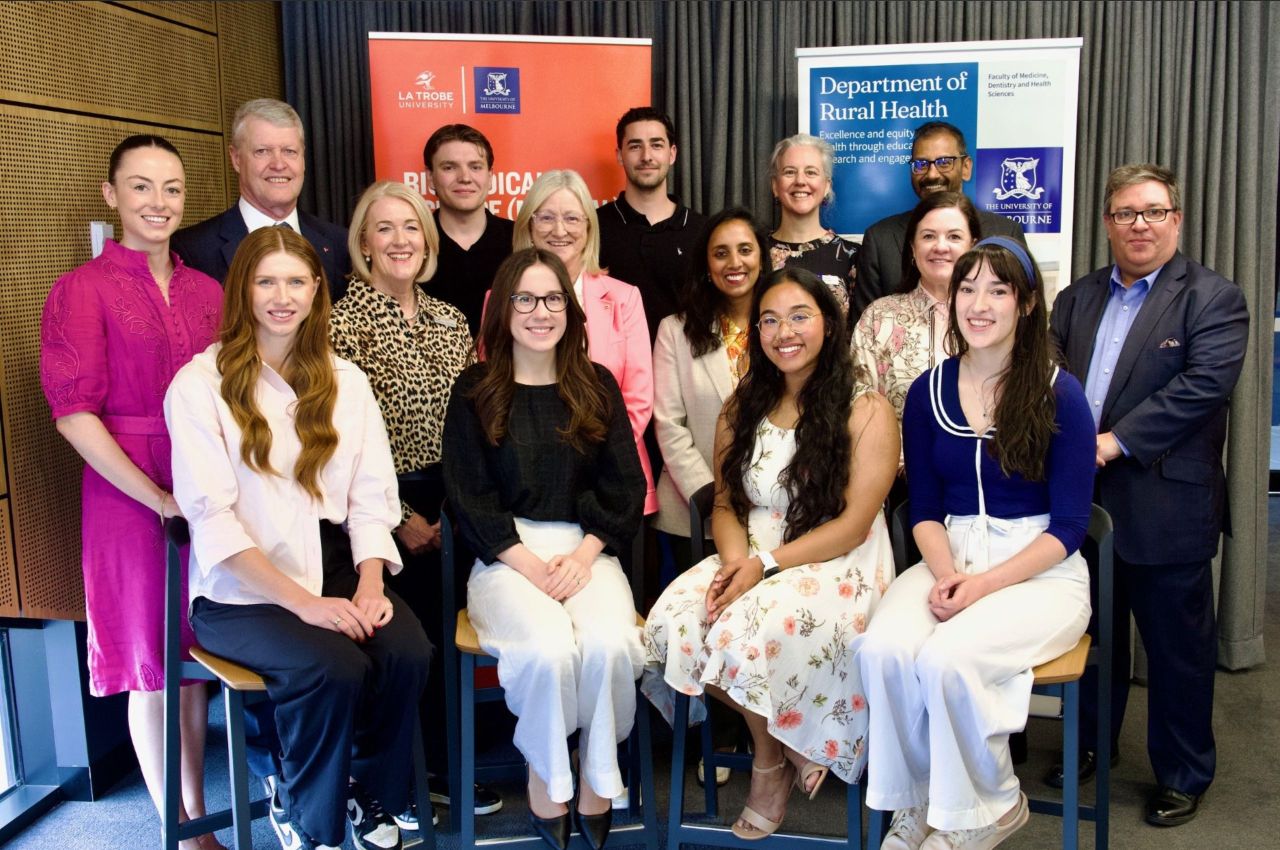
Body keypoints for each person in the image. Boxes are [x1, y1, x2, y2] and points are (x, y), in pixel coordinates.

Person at [165, 226, 431, 850]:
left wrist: (370, 583)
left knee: (407, 651)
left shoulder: (346, 381)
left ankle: (363, 789)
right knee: (332, 667)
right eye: (266, 282)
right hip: (240, 588)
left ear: (316, 289)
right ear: (243, 291)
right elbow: (213, 522)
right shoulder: (198, 385)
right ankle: (310, 816)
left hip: (334, 564)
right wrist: (305, 604)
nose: (281, 297)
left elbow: (371, 496)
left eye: (294, 282)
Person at [643, 267, 898, 840]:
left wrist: (764, 567)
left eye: (800, 316)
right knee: (675, 623)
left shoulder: (867, 409)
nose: (785, 332)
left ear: (829, 324)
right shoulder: (742, 405)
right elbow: (726, 504)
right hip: (751, 551)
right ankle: (785, 741)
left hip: (834, 557)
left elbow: (854, 525)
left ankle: (766, 764)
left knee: (741, 633)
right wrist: (737, 564)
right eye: (770, 320)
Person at [857, 238, 1095, 850]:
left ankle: (991, 806)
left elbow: (1070, 528)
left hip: (1041, 570)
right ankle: (921, 800)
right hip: (951, 553)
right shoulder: (926, 392)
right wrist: (946, 576)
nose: (979, 304)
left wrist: (982, 586)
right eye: (967, 289)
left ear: (1027, 303)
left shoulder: (1061, 393)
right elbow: (925, 511)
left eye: (998, 290)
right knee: (883, 650)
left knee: (948, 659)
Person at [1048, 164, 1249, 827]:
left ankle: (1183, 773)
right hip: (1083, 504)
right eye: (1125, 213)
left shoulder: (1214, 298)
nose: (1140, 225)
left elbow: (1202, 388)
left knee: (1177, 653)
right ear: (1107, 223)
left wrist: (1111, 442)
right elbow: (1049, 373)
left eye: (1154, 212)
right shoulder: (1075, 298)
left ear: (1176, 220)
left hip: (1168, 503)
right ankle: (1089, 747)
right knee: (1091, 637)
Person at [40, 135, 225, 850]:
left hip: (203, 483)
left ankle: (196, 812)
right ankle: (178, 828)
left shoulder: (208, 290)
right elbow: (73, 414)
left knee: (193, 660)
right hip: (126, 493)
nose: (158, 202)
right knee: (152, 661)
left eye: (172, 188)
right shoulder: (80, 289)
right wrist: (156, 498)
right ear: (111, 195)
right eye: (141, 186)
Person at [442, 248, 646, 850]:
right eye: (525, 299)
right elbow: (468, 496)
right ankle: (547, 768)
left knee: (610, 643)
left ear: (570, 309)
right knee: (550, 649)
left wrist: (582, 558)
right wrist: (530, 565)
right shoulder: (475, 389)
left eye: (553, 298)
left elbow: (625, 486)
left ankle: (598, 775)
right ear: (503, 310)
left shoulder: (596, 384)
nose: (540, 312)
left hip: (587, 550)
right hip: (506, 555)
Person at [329, 180, 502, 825]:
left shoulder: (450, 319)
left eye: (411, 228)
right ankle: (392, 780)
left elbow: (471, 423)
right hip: (376, 509)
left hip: (451, 503)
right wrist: (398, 519)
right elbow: (339, 441)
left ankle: (440, 771)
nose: (400, 240)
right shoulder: (338, 323)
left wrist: (455, 507)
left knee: (444, 644)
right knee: (398, 651)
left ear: (427, 242)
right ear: (364, 242)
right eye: (385, 228)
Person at [511, 169, 657, 514]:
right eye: (546, 217)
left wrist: (588, 464)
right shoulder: (501, 299)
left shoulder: (624, 299)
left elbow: (637, 400)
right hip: (527, 485)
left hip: (612, 483)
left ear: (589, 229)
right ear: (529, 227)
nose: (559, 230)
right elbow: (499, 395)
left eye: (572, 218)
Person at [652, 207, 766, 550]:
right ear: (706, 264)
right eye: (721, 253)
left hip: (775, 512)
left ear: (762, 257)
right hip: (695, 513)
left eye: (745, 250)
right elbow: (668, 424)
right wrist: (712, 497)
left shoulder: (782, 328)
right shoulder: (675, 331)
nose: (735, 262)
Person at [172, 98, 351, 301]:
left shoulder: (341, 245)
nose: (278, 164)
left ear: (303, 159)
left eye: (289, 151)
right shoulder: (191, 251)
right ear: (236, 159)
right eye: (262, 151)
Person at [855, 122, 1024, 322]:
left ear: (966, 167)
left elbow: (1022, 319)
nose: (932, 174)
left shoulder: (1005, 233)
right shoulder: (880, 239)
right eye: (921, 164)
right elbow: (867, 324)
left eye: (944, 162)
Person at [852, 192, 980, 423]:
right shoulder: (878, 318)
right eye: (928, 236)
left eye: (954, 237)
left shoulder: (993, 316)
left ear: (973, 246)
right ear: (912, 247)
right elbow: (860, 410)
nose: (940, 247)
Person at [597, 106, 708, 343]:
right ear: (619, 155)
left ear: (672, 153)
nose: (646, 156)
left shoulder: (702, 231)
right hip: (611, 364)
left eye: (656, 145)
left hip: (685, 361)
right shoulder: (593, 228)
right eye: (635, 146)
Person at [423, 124, 514, 335]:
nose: (465, 177)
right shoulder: (413, 245)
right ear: (430, 177)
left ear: (490, 176)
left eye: (475, 167)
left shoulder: (520, 239)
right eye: (449, 167)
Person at [766, 134, 859, 328]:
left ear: (827, 186)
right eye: (790, 172)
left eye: (811, 172)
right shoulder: (754, 254)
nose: (800, 180)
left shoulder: (853, 256)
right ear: (775, 186)